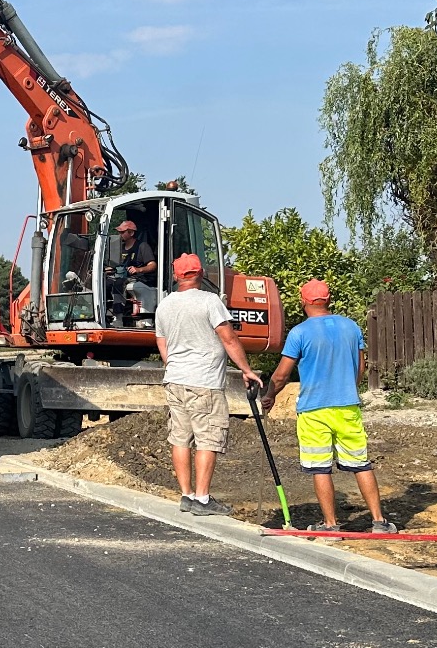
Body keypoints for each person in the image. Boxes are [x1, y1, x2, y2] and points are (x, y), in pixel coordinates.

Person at [261, 279, 392, 533]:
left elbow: (281, 375)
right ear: (328, 299)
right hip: (347, 407)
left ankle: (331, 525)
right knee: (360, 463)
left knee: (320, 467)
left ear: (304, 302)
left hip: (314, 410)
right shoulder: (351, 327)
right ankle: (379, 522)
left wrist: (270, 395)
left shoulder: (300, 333)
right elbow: (360, 367)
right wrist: (348, 389)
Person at [154, 251, 261, 516]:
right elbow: (229, 339)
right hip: (204, 383)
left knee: (180, 437)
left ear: (177, 275)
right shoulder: (210, 301)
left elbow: (162, 341)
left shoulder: (165, 305)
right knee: (207, 438)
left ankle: (186, 495)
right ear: (201, 274)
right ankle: (202, 499)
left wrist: (173, 365)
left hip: (175, 380)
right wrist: (246, 370)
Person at [106, 217, 159, 323]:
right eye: (119, 232)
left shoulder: (142, 246)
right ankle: (105, 314)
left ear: (131, 233)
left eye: (122, 232)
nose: (120, 235)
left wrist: (138, 269)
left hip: (138, 278)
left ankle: (118, 317)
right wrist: (109, 269)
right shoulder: (118, 248)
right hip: (120, 276)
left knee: (119, 283)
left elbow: (153, 265)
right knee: (104, 283)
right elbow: (115, 266)